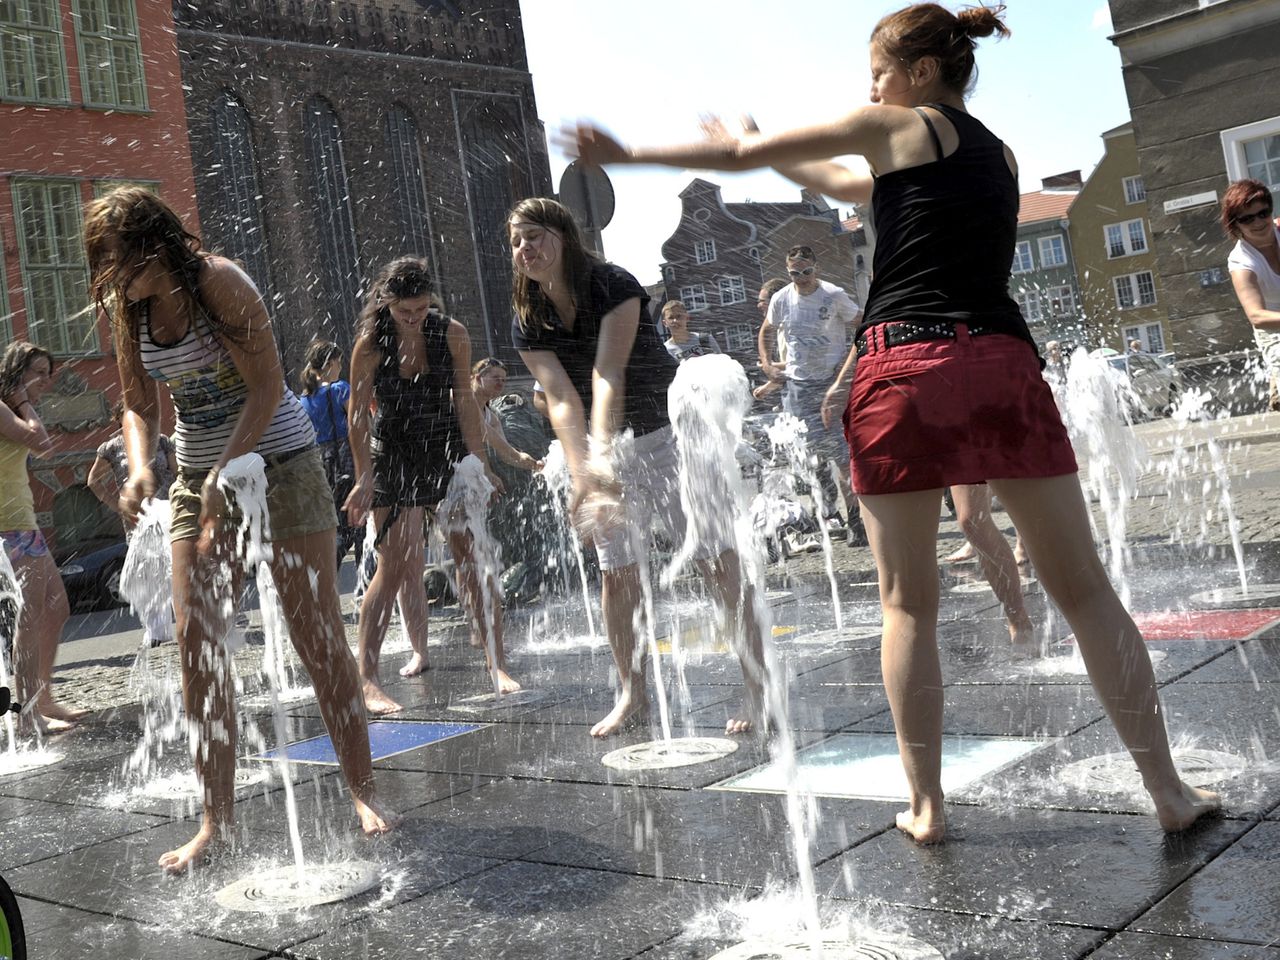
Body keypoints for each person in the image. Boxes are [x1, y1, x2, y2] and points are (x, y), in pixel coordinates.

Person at [567, 1, 1218, 840]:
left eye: (876, 73)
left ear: (915, 74)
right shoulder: (996, 154)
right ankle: (1166, 790)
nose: (868, 89)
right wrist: (777, 148)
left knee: (907, 605)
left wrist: (628, 153)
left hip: (904, 367)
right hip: (998, 359)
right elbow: (845, 184)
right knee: (1087, 589)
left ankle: (926, 804)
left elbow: (740, 155)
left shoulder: (896, 122)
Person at [82, 186, 396, 873]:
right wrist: (140, 469)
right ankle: (213, 822)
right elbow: (138, 403)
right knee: (196, 643)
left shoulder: (220, 285)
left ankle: (363, 791)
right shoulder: (128, 311)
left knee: (315, 634)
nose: (111, 280)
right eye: (103, 268)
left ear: (154, 245)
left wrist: (231, 472)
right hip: (199, 474)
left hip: (279, 460)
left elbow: (266, 387)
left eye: (118, 263)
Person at [509, 197, 770, 738]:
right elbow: (561, 400)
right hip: (610, 451)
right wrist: (586, 478)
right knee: (618, 575)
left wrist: (597, 463)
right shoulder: (528, 316)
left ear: (563, 236)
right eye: (515, 241)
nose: (524, 248)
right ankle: (631, 691)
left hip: (666, 440)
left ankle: (757, 682)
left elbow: (608, 375)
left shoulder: (611, 283)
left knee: (715, 560)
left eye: (533, 235)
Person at [343, 256, 517, 710]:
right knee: (396, 564)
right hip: (393, 451)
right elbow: (356, 416)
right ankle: (366, 678)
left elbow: (464, 399)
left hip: (444, 445)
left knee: (471, 554)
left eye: (421, 310)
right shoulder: (370, 343)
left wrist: (476, 462)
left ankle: (496, 661)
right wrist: (363, 476)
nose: (414, 319)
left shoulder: (452, 333)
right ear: (387, 303)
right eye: (406, 312)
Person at [758, 245, 865, 545]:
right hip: (799, 387)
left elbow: (862, 322)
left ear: (816, 268)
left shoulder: (832, 295)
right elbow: (765, 331)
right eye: (795, 273)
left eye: (806, 272)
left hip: (830, 382)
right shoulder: (781, 299)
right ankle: (828, 513)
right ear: (788, 271)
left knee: (843, 457)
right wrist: (767, 365)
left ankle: (857, 522)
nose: (801, 278)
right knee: (812, 458)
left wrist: (852, 364)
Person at [0, 343, 82, 733]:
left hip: (24, 523)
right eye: (39, 373)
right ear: (17, 374)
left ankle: (44, 698)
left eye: (48, 373)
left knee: (57, 605)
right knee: (29, 616)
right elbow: (43, 444)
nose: (47, 382)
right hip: (8, 526)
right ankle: (27, 714)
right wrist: (23, 403)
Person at [88, 400, 178, 647]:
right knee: (148, 571)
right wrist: (116, 505)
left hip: (168, 509)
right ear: (119, 418)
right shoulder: (110, 447)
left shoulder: (161, 440)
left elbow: (177, 472)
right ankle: (156, 632)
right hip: (138, 517)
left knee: (176, 563)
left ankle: (187, 623)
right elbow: (94, 481)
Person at [297, 341, 364, 568]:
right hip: (347, 456)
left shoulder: (303, 399)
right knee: (360, 519)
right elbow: (359, 422)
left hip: (323, 462)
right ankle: (365, 577)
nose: (340, 367)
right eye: (339, 362)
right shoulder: (339, 389)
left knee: (337, 519)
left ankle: (327, 568)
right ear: (331, 363)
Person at [1223, 179, 1280, 412]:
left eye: (1262, 213)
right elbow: (1256, 316)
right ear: (1235, 225)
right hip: (1273, 327)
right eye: (1247, 218)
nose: (1258, 221)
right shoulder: (1241, 262)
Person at [751, 278, 789, 402]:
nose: (758, 305)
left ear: (775, 301)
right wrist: (767, 388)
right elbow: (790, 372)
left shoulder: (790, 327)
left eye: (762, 301)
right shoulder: (780, 327)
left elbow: (800, 365)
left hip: (804, 394)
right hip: (792, 393)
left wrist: (769, 365)